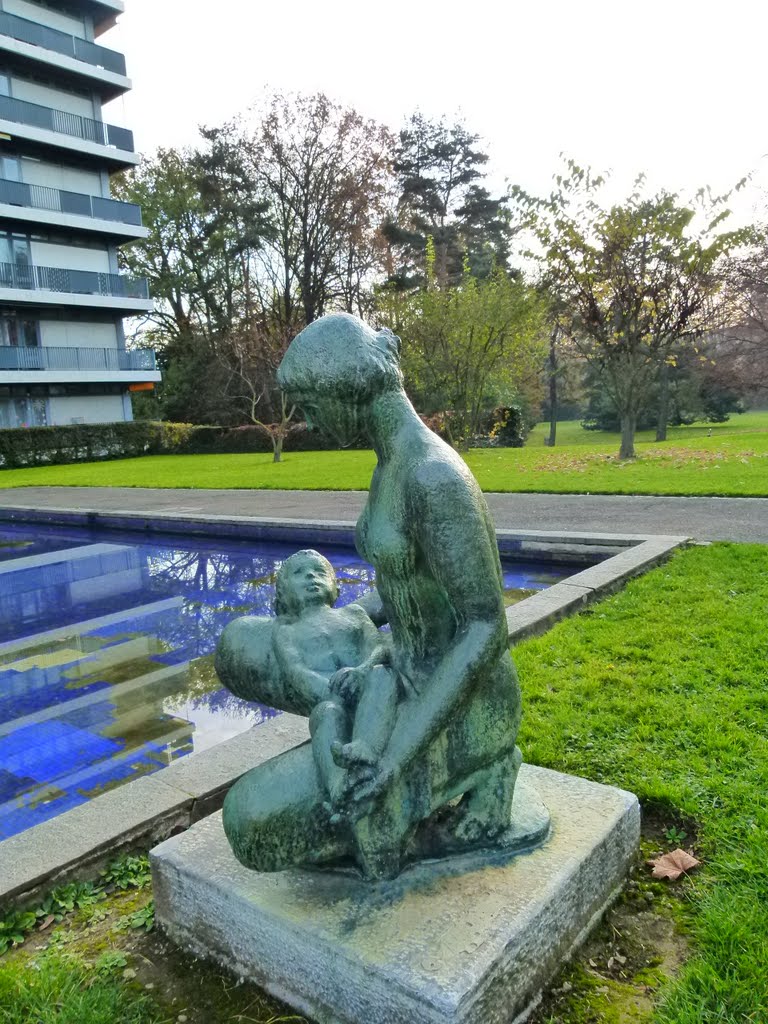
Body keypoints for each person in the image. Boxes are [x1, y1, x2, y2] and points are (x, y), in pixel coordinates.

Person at [221, 313, 523, 881]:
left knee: (250, 823)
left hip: (464, 703)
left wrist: (395, 755)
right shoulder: (390, 465)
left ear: (346, 391)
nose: (306, 420)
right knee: (238, 647)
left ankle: (487, 769)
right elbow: (406, 590)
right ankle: (374, 780)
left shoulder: (432, 477)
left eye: (311, 404)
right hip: (398, 672)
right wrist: (361, 638)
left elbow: (485, 626)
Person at [270, 549, 398, 818]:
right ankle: (338, 785)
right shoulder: (287, 633)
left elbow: (379, 647)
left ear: (335, 586)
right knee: (326, 714)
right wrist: (334, 690)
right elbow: (298, 673)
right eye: (299, 573)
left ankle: (366, 748)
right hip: (332, 698)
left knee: (383, 675)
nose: (311, 577)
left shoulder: (353, 614)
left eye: (319, 572)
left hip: (371, 689)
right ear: (282, 592)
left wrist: (362, 671)